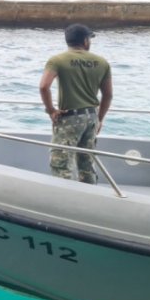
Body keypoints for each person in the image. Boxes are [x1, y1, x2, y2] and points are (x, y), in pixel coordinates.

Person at [39, 24, 113, 184]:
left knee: (61, 163)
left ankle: (64, 199)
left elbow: (44, 86)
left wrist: (51, 110)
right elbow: (108, 95)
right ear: (85, 41)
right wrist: (99, 119)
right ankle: (90, 196)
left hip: (69, 118)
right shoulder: (102, 62)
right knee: (86, 163)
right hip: (91, 117)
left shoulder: (57, 60)